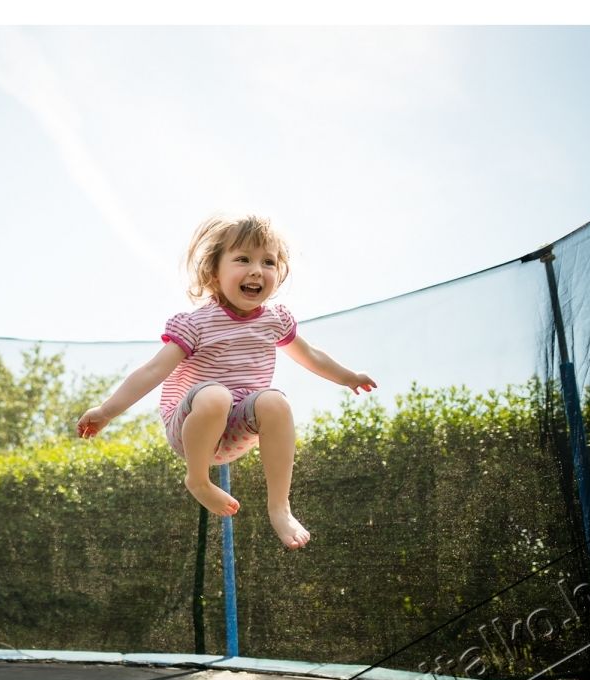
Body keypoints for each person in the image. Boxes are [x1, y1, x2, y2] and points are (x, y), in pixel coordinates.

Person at [76, 214, 375, 550]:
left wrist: (348, 377)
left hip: (236, 430)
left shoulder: (275, 321)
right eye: (243, 259)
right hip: (190, 427)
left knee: (275, 401)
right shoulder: (196, 324)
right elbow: (152, 371)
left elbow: (311, 355)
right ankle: (198, 479)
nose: (256, 270)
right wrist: (107, 410)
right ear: (213, 272)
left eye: (268, 262)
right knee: (215, 395)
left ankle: (280, 505)